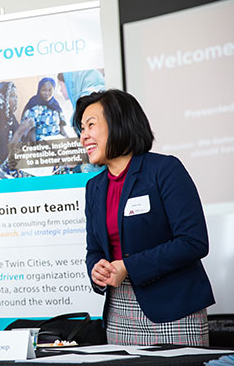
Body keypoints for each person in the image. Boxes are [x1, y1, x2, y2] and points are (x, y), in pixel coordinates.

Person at [73, 89, 214, 346]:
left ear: (118, 122)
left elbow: (194, 242)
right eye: (81, 129)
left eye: (90, 125)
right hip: (119, 314)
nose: (83, 137)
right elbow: (94, 249)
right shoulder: (94, 187)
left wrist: (128, 267)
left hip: (175, 310)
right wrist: (96, 268)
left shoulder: (164, 170)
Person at [0, 82, 34, 174]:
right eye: (12, 96)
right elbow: (1, 158)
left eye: (16, 96)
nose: (16, 99)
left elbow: (20, 144)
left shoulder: (9, 117)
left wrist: (28, 130)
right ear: (1, 98)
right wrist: (19, 132)